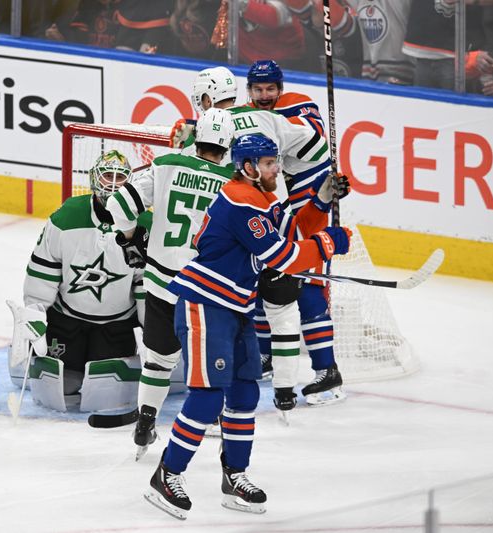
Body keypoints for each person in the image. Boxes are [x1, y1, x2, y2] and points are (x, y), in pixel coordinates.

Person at [144, 133, 353, 519]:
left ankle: (234, 476)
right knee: (207, 398)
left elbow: (291, 231)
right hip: (206, 305)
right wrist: (327, 244)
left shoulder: (262, 199)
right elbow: (282, 254)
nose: (277, 168)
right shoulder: (241, 200)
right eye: (271, 163)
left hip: (237, 306)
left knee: (243, 396)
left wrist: (321, 200)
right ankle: (167, 474)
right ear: (249, 167)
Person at [132, 66, 332, 454]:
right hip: (249, 255)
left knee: (176, 354)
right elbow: (315, 150)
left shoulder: (187, 146)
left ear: (204, 100)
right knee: (274, 319)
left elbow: (150, 196)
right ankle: (284, 394)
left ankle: (160, 421)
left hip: (192, 270)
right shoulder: (264, 125)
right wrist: (314, 202)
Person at [107, 107, 235, 459]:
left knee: (159, 360)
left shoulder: (165, 166)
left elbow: (118, 204)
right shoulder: (234, 183)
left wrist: (131, 238)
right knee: (215, 361)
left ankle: (145, 424)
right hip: (207, 289)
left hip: (162, 282)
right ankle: (221, 425)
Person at [8, 150, 147, 412]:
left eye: (121, 178)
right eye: (108, 176)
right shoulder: (66, 216)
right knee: (60, 390)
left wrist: (153, 329)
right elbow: (43, 272)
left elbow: (145, 285)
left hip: (115, 325)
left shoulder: (143, 223)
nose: (114, 184)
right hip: (67, 321)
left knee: (108, 396)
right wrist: (34, 316)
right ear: (94, 180)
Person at [246, 59, 349, 409]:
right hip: (274, 218)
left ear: (280, 87)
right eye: (258, 90)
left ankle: (327, 370)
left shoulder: (299, 104)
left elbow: (311, 139)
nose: (264, 96)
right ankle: (266, 356)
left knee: (308, 292)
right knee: (264, 287)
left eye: (270, 89)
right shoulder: (248, 116)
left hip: (311, 215)